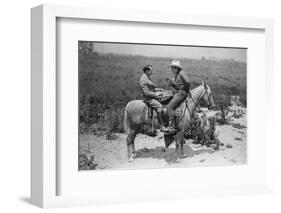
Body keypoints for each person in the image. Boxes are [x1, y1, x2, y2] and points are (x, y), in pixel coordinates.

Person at [139, 65, 169, 132]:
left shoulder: (147, 78)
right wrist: (156, 94)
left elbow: (152, 88)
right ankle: (162, 126)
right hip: (148, 98)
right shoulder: (143, 79)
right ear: (146, 71)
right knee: (159, 106)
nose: (151, 72)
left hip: (151, 96)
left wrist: (161, 90)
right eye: (150, 71)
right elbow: (146, 92)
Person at [166, 60, 191, 133]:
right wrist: (172, 83)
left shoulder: (181, 73)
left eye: (172, 68)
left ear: (176, 68)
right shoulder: (177, 74)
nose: (171, 70)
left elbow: (188, 82)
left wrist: (186, 90)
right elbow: (178, 85)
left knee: (169, 107)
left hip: (181, 93)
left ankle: (172, 125)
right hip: (178, 92)